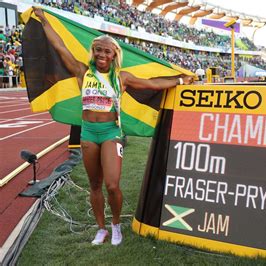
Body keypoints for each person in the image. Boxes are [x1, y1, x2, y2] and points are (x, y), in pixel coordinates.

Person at [33, 7, 193, 246]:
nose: (101, 54)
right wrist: (45, 21)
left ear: (113, 54)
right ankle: (101, 229)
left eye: (107, 51)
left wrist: (180, 80)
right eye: (98, 50)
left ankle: (116, 224)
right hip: (88, 132)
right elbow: (59, 47)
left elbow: (152, 84)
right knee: (95, 184)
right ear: (93, 51)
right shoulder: (82, 71)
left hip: (110, 133)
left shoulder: (122, 77)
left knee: (112, 184)